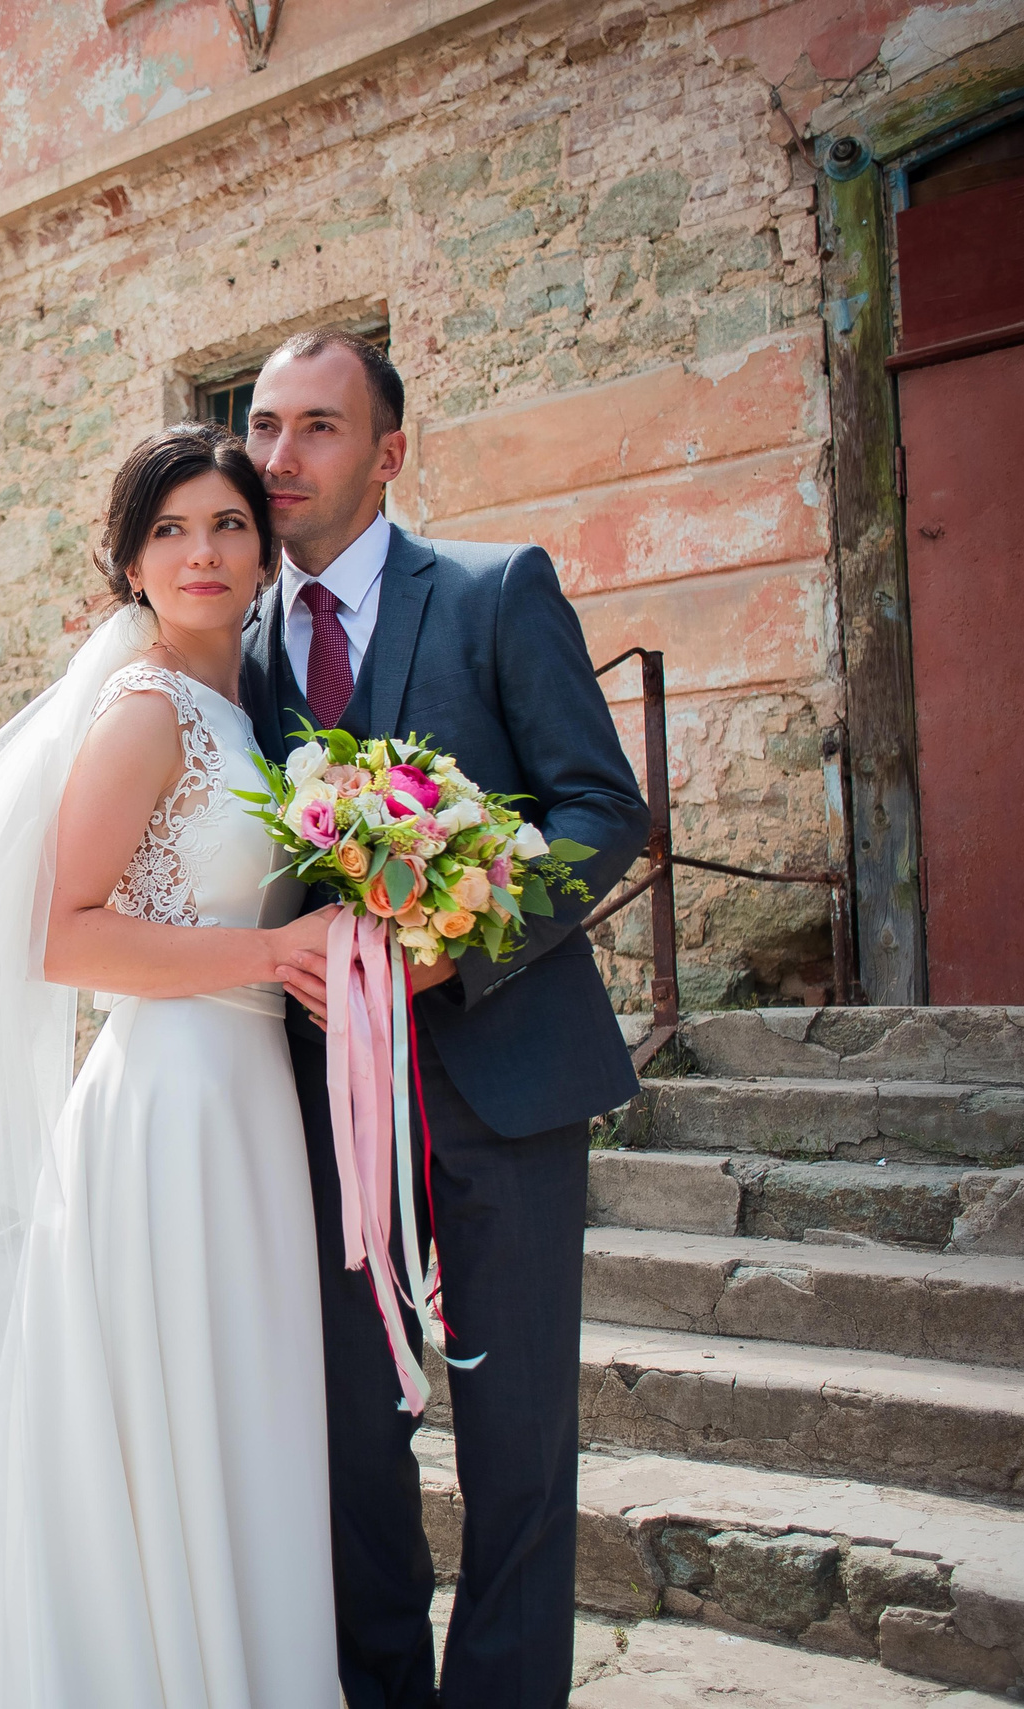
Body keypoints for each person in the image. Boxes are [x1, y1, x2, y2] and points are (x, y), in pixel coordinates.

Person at [237, 329, 650, 1709]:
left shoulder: (491, 591)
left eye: (317, 429)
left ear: (389, 452)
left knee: (519, 1444)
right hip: (310, 1109)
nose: (278, 459)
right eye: (262, 426)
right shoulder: (226, 642)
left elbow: (602, 806)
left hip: (504, 1082)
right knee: (353, 1448)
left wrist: (456, 941)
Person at [0, 422, 340, 1706]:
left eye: (225, 522)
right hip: (166, 1103)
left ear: (265, 546)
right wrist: (274, 952)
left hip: (248, 1103)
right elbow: (63, 936)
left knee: (241, 1424)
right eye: (167, 530)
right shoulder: (146, 711)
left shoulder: (253, 710)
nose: (201, 551)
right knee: (173, 1421)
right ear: (129, 565)